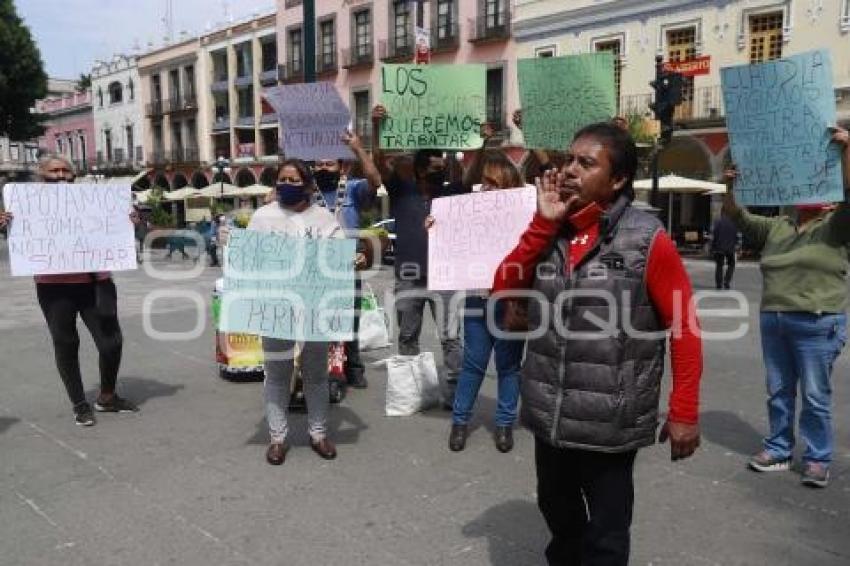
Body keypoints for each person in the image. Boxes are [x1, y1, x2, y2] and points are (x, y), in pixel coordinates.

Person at [492, 123, 702, 565]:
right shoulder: (550, 227)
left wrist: (683, 410)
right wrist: (540, 225)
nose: (569, 170)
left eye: (586, 163)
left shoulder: (648, 239)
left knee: (606, 536)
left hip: (611, 419)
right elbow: (502, 289)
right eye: (570, 160)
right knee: (558, 516)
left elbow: (685, 325)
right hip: (550, 411)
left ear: (618, 179)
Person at [726, 126, 850, 488]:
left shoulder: (837, 226)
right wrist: (730, 183)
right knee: (778, 390)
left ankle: (817, 457)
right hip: (774, 320)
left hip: (817, 320)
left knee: (814, 394)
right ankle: (779, 448)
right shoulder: (777, 227)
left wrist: (846, 152)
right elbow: (735, 216)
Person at [0, 154, 138, 426]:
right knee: (66, 343)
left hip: (96, 283)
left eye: (66, 170)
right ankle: (79, 403)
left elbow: (115, 231)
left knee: (112, 342)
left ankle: (107, 397)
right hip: (54, 288)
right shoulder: (25, 205)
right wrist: (5, 224)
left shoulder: (94, 200)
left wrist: (129, 222)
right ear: (41, 176)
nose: (61, 174)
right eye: (54, 171)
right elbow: (20, 239)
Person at [247, 159, 346, 465]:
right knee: (277, 375)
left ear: (306, 184)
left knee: (316, 374)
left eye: (293, 179)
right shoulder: (262, 217)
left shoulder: (324, 218)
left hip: (315, 308)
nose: (287, 184)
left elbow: (338, 256)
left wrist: (351, 259)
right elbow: (248, 258)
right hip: (276, 308)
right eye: (282, 179)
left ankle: (318, 434)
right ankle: (277, 438)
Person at [371, 104, 465, 407]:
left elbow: (471, 173)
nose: (440, 172)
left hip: (445, 278)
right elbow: (378, 162)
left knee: (451, 338)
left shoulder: (451, 195)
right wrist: (377, 127)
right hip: (409, 278)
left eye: (443, 168)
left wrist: (481, 144)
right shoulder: (402, 191)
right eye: (435, 168)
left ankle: (455, 396)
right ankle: (411, 393)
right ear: (420, 169)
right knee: (407, 337)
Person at [442, 149, 526, 454]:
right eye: (485, 182)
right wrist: (436, 226)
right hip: (477, 299)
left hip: (513, 301)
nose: (487, 188)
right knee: (473, 365)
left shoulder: (526, 217)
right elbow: (448, 237)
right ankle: (460, 422)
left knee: (509, 366)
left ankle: (504, 424)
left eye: (494, 183)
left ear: (509, 188)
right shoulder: (470, 212)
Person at [315, 132, 383, 389]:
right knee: (322, 320)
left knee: (350, 318)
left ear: (340, 166)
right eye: (319, 164)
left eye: (329, 164)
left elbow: (375, 180)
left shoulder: (353, 187)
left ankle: (353, 367)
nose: (323, 168)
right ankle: (329, 368)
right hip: (316, 266)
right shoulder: (309, 191)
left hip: (347, 264)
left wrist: (357, 148)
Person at [711, 211, 738, 289]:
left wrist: (713, 248)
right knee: (731, 264)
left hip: (719, 248)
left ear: (722, 213)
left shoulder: (717, 222)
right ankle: (727, 281)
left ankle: (719, 283)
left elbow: (714, 236)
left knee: (719, 265)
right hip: (730, 248)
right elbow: (738, 236)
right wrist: (738, 247)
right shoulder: (735, 223)